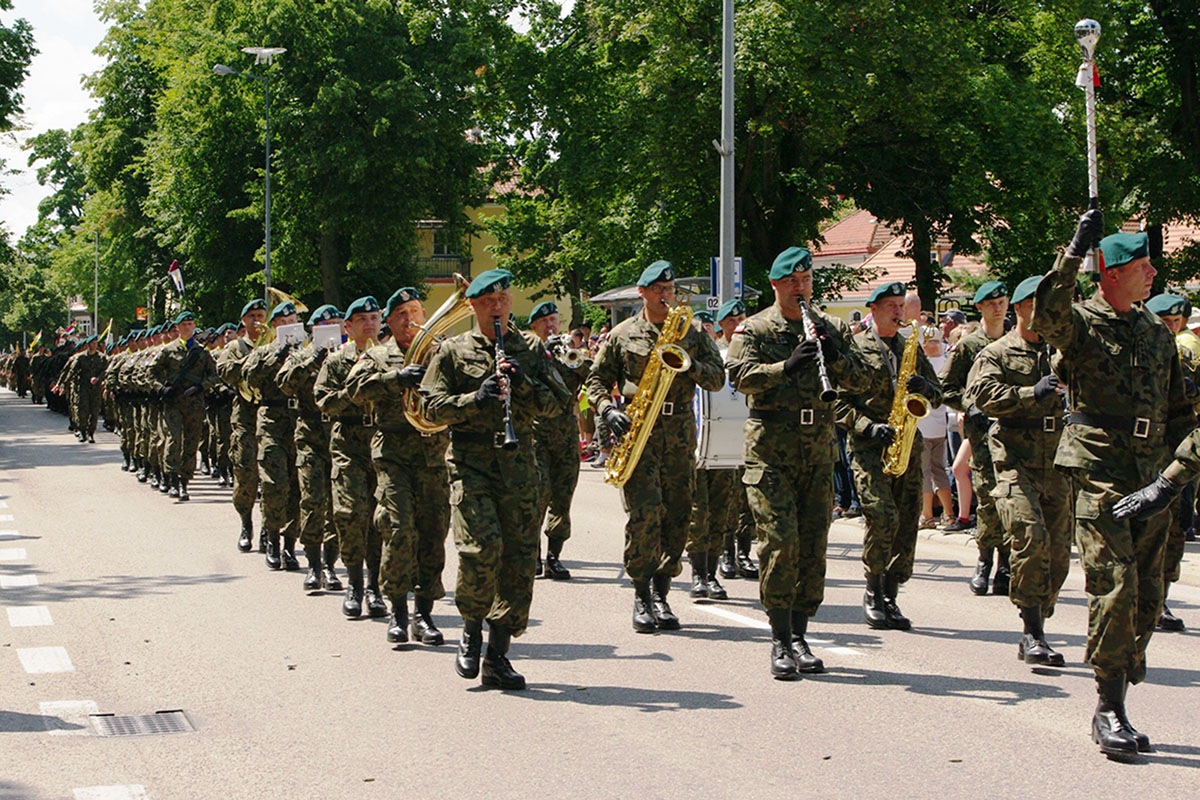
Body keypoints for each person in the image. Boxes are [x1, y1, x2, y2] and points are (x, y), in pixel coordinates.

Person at [1034, 214, 1193, 757]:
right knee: (1115, 589)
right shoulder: (1080, 325)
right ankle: (1108, 707)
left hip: (1153, 477)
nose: (1152, 273)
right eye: (1141, 266)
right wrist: (1074, 248)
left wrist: (1173, 480)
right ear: (1110, 275)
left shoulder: (1155, 333)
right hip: (1100, 474)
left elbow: (1181, 415)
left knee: (1149, 597)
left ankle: (1123, 684)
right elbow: (1045, 314)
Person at [421, 269, 569, 689]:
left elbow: (559, 403)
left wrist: (522, 385)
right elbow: (430, 409)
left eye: (503, 298)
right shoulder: (453, 351)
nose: (498, 307)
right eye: (488, 301)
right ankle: (470, 630)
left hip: (521, 466)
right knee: (480, 550)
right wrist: (475, 398)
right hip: (472, 465)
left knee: (520, 561)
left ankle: (498, 654)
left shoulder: (531, 348)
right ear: (473, 305)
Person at [727, 248, 867, 678]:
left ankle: (801, 634)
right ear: (775, 285)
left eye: (805, 279)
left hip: (818, 449)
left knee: (812, 546)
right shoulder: (754, 328)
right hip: (770, 450)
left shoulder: (831, 326)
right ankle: (780, 638)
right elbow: (738, 376)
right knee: (779, 542)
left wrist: (833, 355)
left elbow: (863, 378)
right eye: (792, 281)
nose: (800, 287)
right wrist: (784, 367)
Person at [585, 260, 726, 633]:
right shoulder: (623, 334)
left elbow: (717, 379)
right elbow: (595, 382)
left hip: (679, 429)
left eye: (670, 290)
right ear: (643, 293)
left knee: (678, 514)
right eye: (659, 290)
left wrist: (689, 361)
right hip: (640, 430)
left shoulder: (692, 332)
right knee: (645, 514)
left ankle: (663, 592)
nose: (666, 296)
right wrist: (607, 410)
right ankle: (642, 593)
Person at [966, 275, 1070, 666]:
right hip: (1015, 460)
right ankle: (1032, 632)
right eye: (1039, 306)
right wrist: (1031, 393)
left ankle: (1041, 615)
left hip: (1059, 462)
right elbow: (982, 396)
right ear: (1023, 308)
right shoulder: (997, 353)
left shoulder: (1064, 351)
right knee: (1030, 538)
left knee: (1059, 554)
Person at [346, 287, 451, 645]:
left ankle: (424, 614)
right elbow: (354, 391)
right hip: (393, 453)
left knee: (433, 532)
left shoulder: (442, 352)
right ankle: (397, 610)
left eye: (416, 311)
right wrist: (395, 380)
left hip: (434, 454)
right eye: (402, 315)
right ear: (389, 322)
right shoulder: (378, 356)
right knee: (398, 527)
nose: (411, 320)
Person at [836, 281, 943, 631]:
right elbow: (836, 402)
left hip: (907, 444)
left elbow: (938, 394)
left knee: (907, 519)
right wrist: (867, 426)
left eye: (901, 305)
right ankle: (872, 590)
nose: (898, 311)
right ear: (874, 308)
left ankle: (891, 595)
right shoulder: (855, 346)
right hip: (869, 447)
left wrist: (925, 389)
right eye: (891, 306)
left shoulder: (910, 346)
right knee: (881, 515)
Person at [1130, 293, 1200, 632]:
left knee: (1177, 528)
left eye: (1176, 322)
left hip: (1185, 451)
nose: (1172, 327)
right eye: (1166, 321)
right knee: (1148, 527)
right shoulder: (1140, 350)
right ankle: (1142, 599)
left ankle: (1162, 599)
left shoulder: (1188, 356)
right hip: (1146, 454)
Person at [315, 297, 385, 619]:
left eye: (374, 317)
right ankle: (354, 583)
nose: (369, 324)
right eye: (362, 319)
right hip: (348, 444)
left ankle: (375, 586)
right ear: (348, 327)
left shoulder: (389, 357)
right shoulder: (336, 361)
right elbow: (324, 402)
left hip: (382, 446)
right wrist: (351, 394)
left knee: (379, 519)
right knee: (351, 513)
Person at [940, 281, 1011, 594]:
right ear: (980, 307)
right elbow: (946, 387)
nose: (998, 307)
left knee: (1011, 501)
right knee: (987, 500)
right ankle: (984, 560)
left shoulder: (1016, 340)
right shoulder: (969, 346)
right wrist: (970, 406)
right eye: (991, 303)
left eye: (1002, 301)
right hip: (982, 435)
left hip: (1013, 434)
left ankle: (1006, 566)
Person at [277, 305, 344, 594]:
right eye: (327, 324)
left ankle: (331, 564)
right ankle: (314, 566)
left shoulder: (350, 355)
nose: (334, 328)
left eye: (337, 323)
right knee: (313, 500)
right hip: (310, 436)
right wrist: (314, 360)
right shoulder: (301, 355)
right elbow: (285, 384)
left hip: (342, 438)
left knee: (338, 506)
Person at [525, 300, 589, 580]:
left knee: (563, 497)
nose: (551, 326)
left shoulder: (570, 355)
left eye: (554, 321)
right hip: (537, 435)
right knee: (538, 495)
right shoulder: (528, 354)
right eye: (545, 322)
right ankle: (533, 555)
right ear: (534, 327)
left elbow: (593, 375)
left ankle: (554, 556)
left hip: (565, 434)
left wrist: (574, 358)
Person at [687, 298, 746, 602]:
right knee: (698, 512)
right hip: (698, 443)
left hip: (727, 445)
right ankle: (698, 575)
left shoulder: (740, 359)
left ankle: (712, 573)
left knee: (722, 511)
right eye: (731, 322)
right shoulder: (707, 359)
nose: (737, 326)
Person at [244, 302, 304, 572]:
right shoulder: (264, 351)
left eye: (293, 320)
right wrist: (277, 353)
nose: (288, 325)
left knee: (298, 485)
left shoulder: (306, 351)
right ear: (274, 326)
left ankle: (290, 543)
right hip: (272, 421)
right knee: (274, 483)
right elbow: (250, 376)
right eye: (282, 321)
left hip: (300, 422)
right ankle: (273, 539)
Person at [149, 311, 219, 501]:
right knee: (174, 440)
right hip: (173, 403)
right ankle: (172, 479)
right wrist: (161, 389)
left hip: (195, 404)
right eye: (184, 324)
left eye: (190, 323)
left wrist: (201, 387)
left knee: (191, 442)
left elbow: (214, 375)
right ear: (177, 328)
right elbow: (151, 373)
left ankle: (184, 482)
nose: (187, 327)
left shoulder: (202, 352)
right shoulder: (168, 351)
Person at [216, 299, 267, 552]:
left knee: (273, 479)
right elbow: (226, 372)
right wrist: (255, 360)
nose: (258, 321)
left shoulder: (275, 344)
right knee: (246, 474)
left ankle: (270, 529)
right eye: (253, 316)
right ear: (244, 321)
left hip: (273, 418)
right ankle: (246, 523)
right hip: (246, 418)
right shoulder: (236, 347)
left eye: (262, 315)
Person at [917, 327, 953, 527]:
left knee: (924, 472)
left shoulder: (926, 365)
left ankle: (927, 514)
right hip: (941, 427)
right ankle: (948, 513)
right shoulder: (947, 361)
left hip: (924, 425)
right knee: (940, 470)